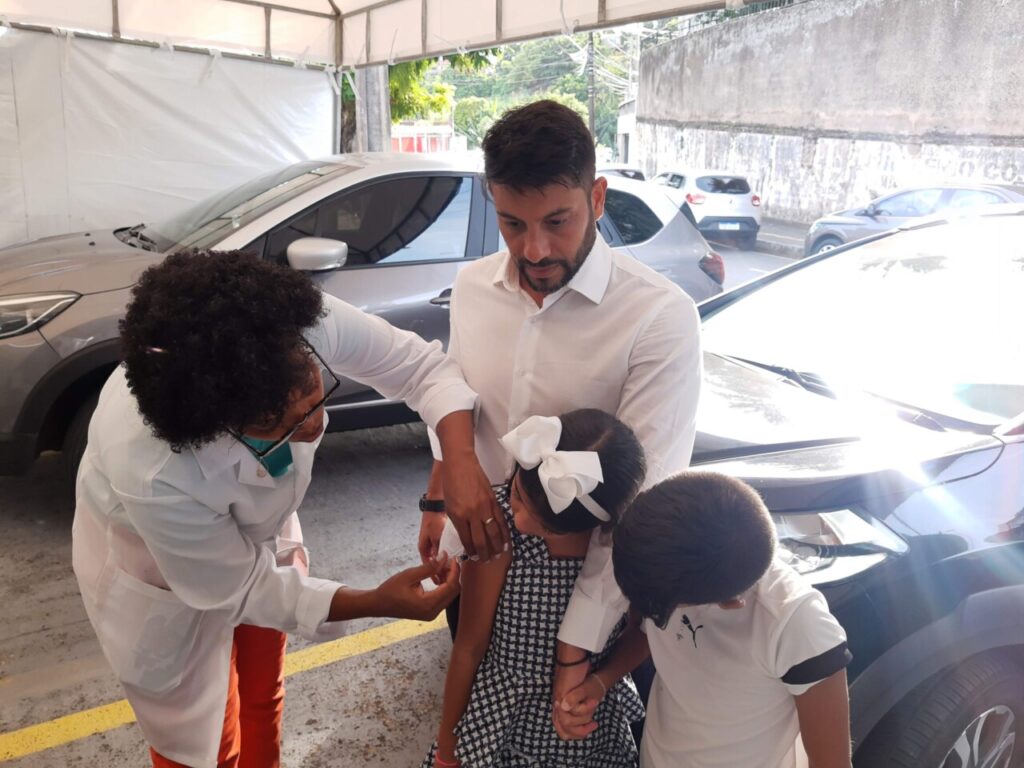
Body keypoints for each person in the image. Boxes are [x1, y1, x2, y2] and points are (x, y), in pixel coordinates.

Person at [71, 250, 499, 768]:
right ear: (216, 424)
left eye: (315, 395)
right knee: (203, 742)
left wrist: (459, 462)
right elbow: (242, 589)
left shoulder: (292, 326)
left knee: (263, 692)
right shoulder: (156, 467)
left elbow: (422, 368)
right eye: (279, 426)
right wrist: (374, 601)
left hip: (257, 541)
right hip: (157, 571)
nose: (314, 426)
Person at [415, 99, 703, 733]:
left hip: (587, 601)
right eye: (512, 224)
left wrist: (577, 646)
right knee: (483, 725)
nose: (535, 248)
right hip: (477, 566)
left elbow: (641, 501)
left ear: (596, 198)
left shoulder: (658, 317)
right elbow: (457, 395)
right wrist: (438, 497)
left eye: (557, 221)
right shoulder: (472, 288)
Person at [560, 472, 853, 768]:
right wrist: (600, 681)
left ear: (729, 603)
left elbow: (832, 763)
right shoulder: (662, 557)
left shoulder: (796, 624)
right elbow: (644, 632)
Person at [423, 411, 647, 768]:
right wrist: (447, 749)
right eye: (518, 494)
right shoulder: (499, 526)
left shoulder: (619, 547)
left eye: (549, 527)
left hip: (592, 725)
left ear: (596, 525)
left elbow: (642, 633)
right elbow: (469, 645)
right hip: (502, 723)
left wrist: (600, 682)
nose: (521, 522)